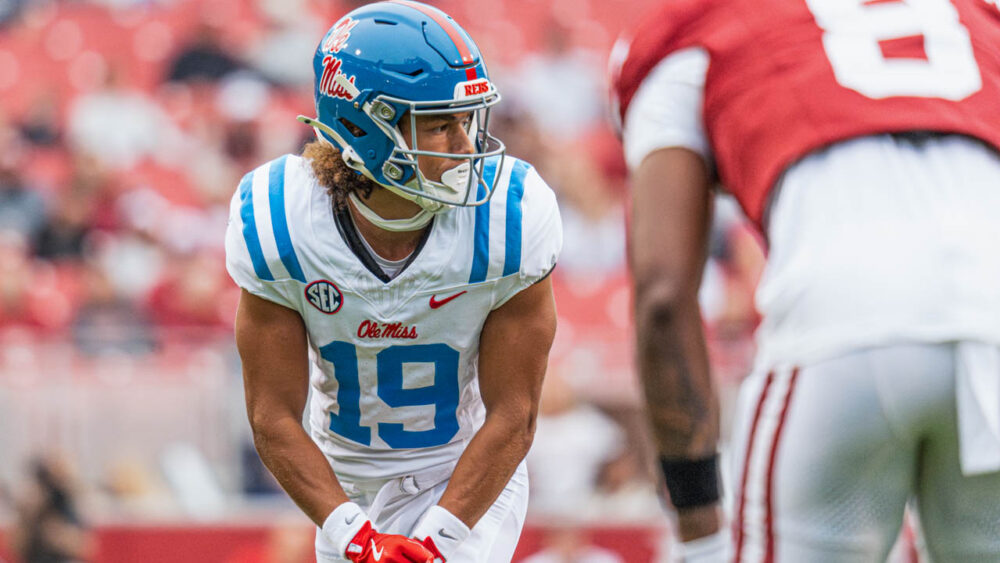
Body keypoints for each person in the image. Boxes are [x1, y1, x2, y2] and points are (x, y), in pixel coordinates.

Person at [611, 0, 1000, 561]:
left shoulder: (692, 34)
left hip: (843, 323)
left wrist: (700, 531)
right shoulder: (974, 17)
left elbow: (663, 296)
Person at [225, 2, 562, 563]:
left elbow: (514, 415)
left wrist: (435, 541)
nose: (466, 145)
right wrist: (357, 536)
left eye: (467, 119)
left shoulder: (511, 217)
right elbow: (273, 417)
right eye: (439, 123)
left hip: (463, 476)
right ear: (364, 128)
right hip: (344, 492)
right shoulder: (281, 222)